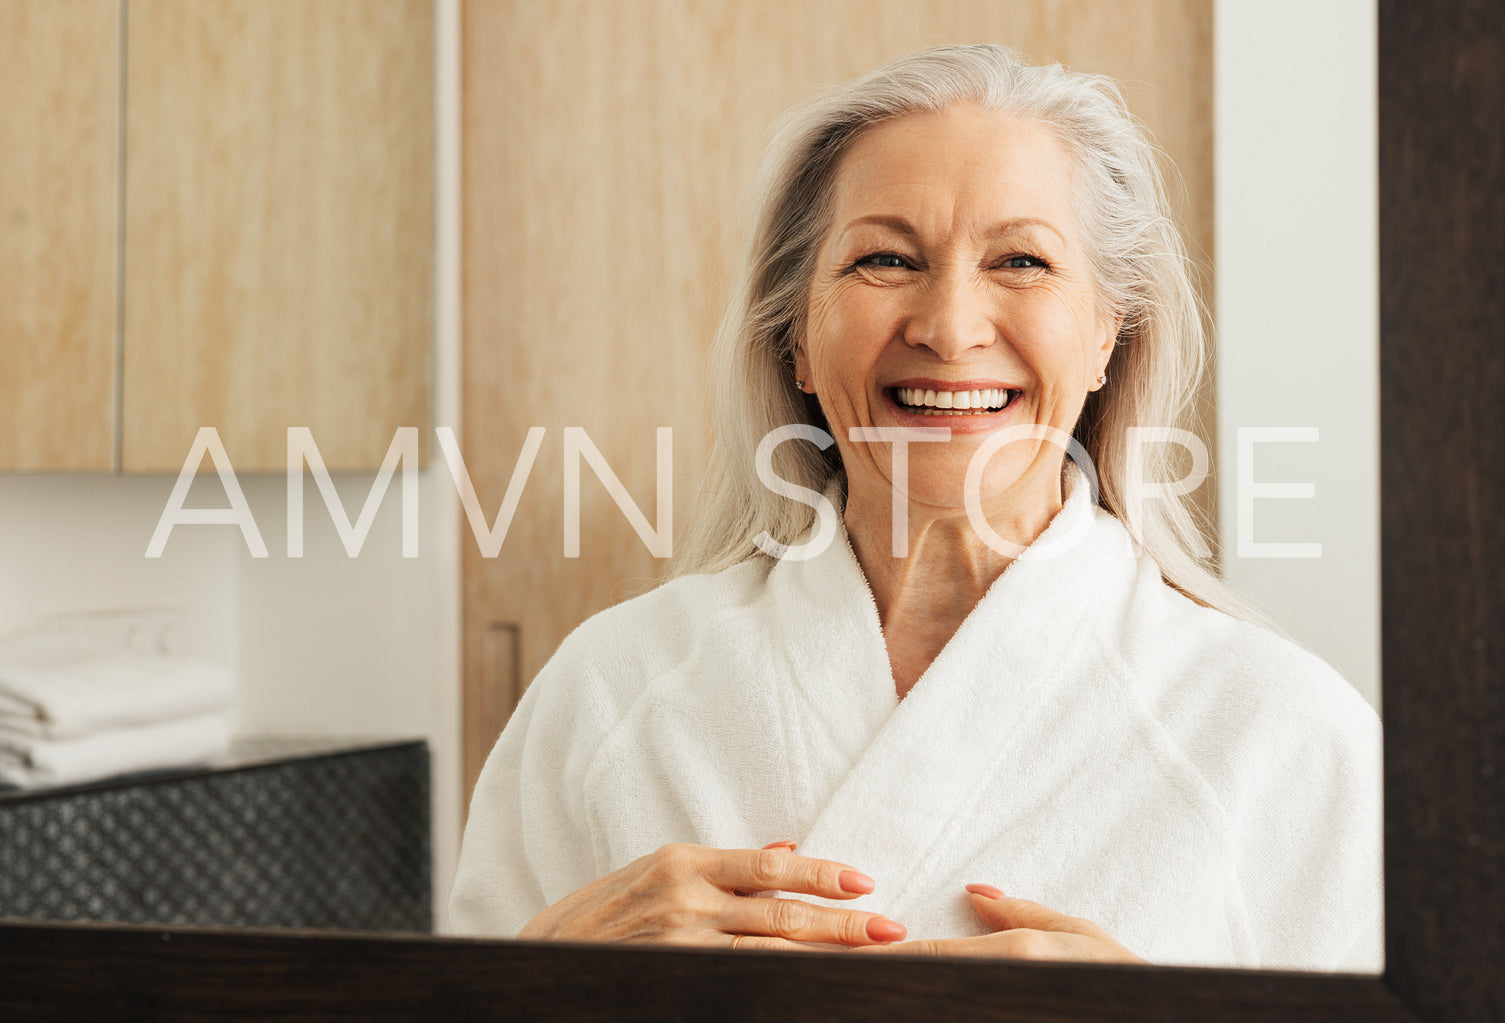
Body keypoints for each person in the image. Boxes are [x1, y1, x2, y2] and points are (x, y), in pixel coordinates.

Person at [449, 44, 1382, 971]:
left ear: (1107, 336)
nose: (948, 327)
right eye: (885, 260)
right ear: (796, 339)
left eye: (1020, 260)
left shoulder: (1282, 736)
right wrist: (525, 979)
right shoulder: (612, 690)